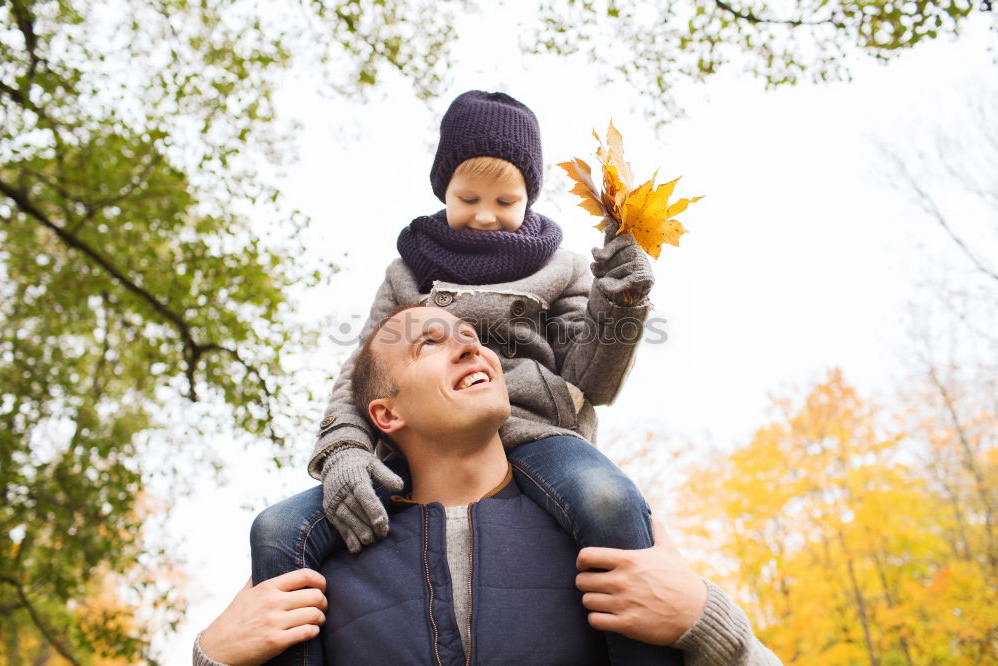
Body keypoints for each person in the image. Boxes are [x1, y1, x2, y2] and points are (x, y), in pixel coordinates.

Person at [251, 90, 664, 663]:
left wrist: (620, 304)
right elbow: (363, 372)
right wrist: (345, 448)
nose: (486, 214)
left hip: (538, 433)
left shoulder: (562, 266)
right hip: (423, 438)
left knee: (609, 498)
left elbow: (593, 378)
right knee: (277, 529)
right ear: (443, 188)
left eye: (506, 199)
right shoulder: (409, 271)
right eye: (468, 197)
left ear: (530, 197)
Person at [195, 306, 782, 665]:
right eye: (430, 342)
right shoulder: (315, 575)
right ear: (386, 415)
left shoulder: (612, 543)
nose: (470, 345)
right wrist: (211, 659)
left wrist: (707, 625)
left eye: (470, 334)